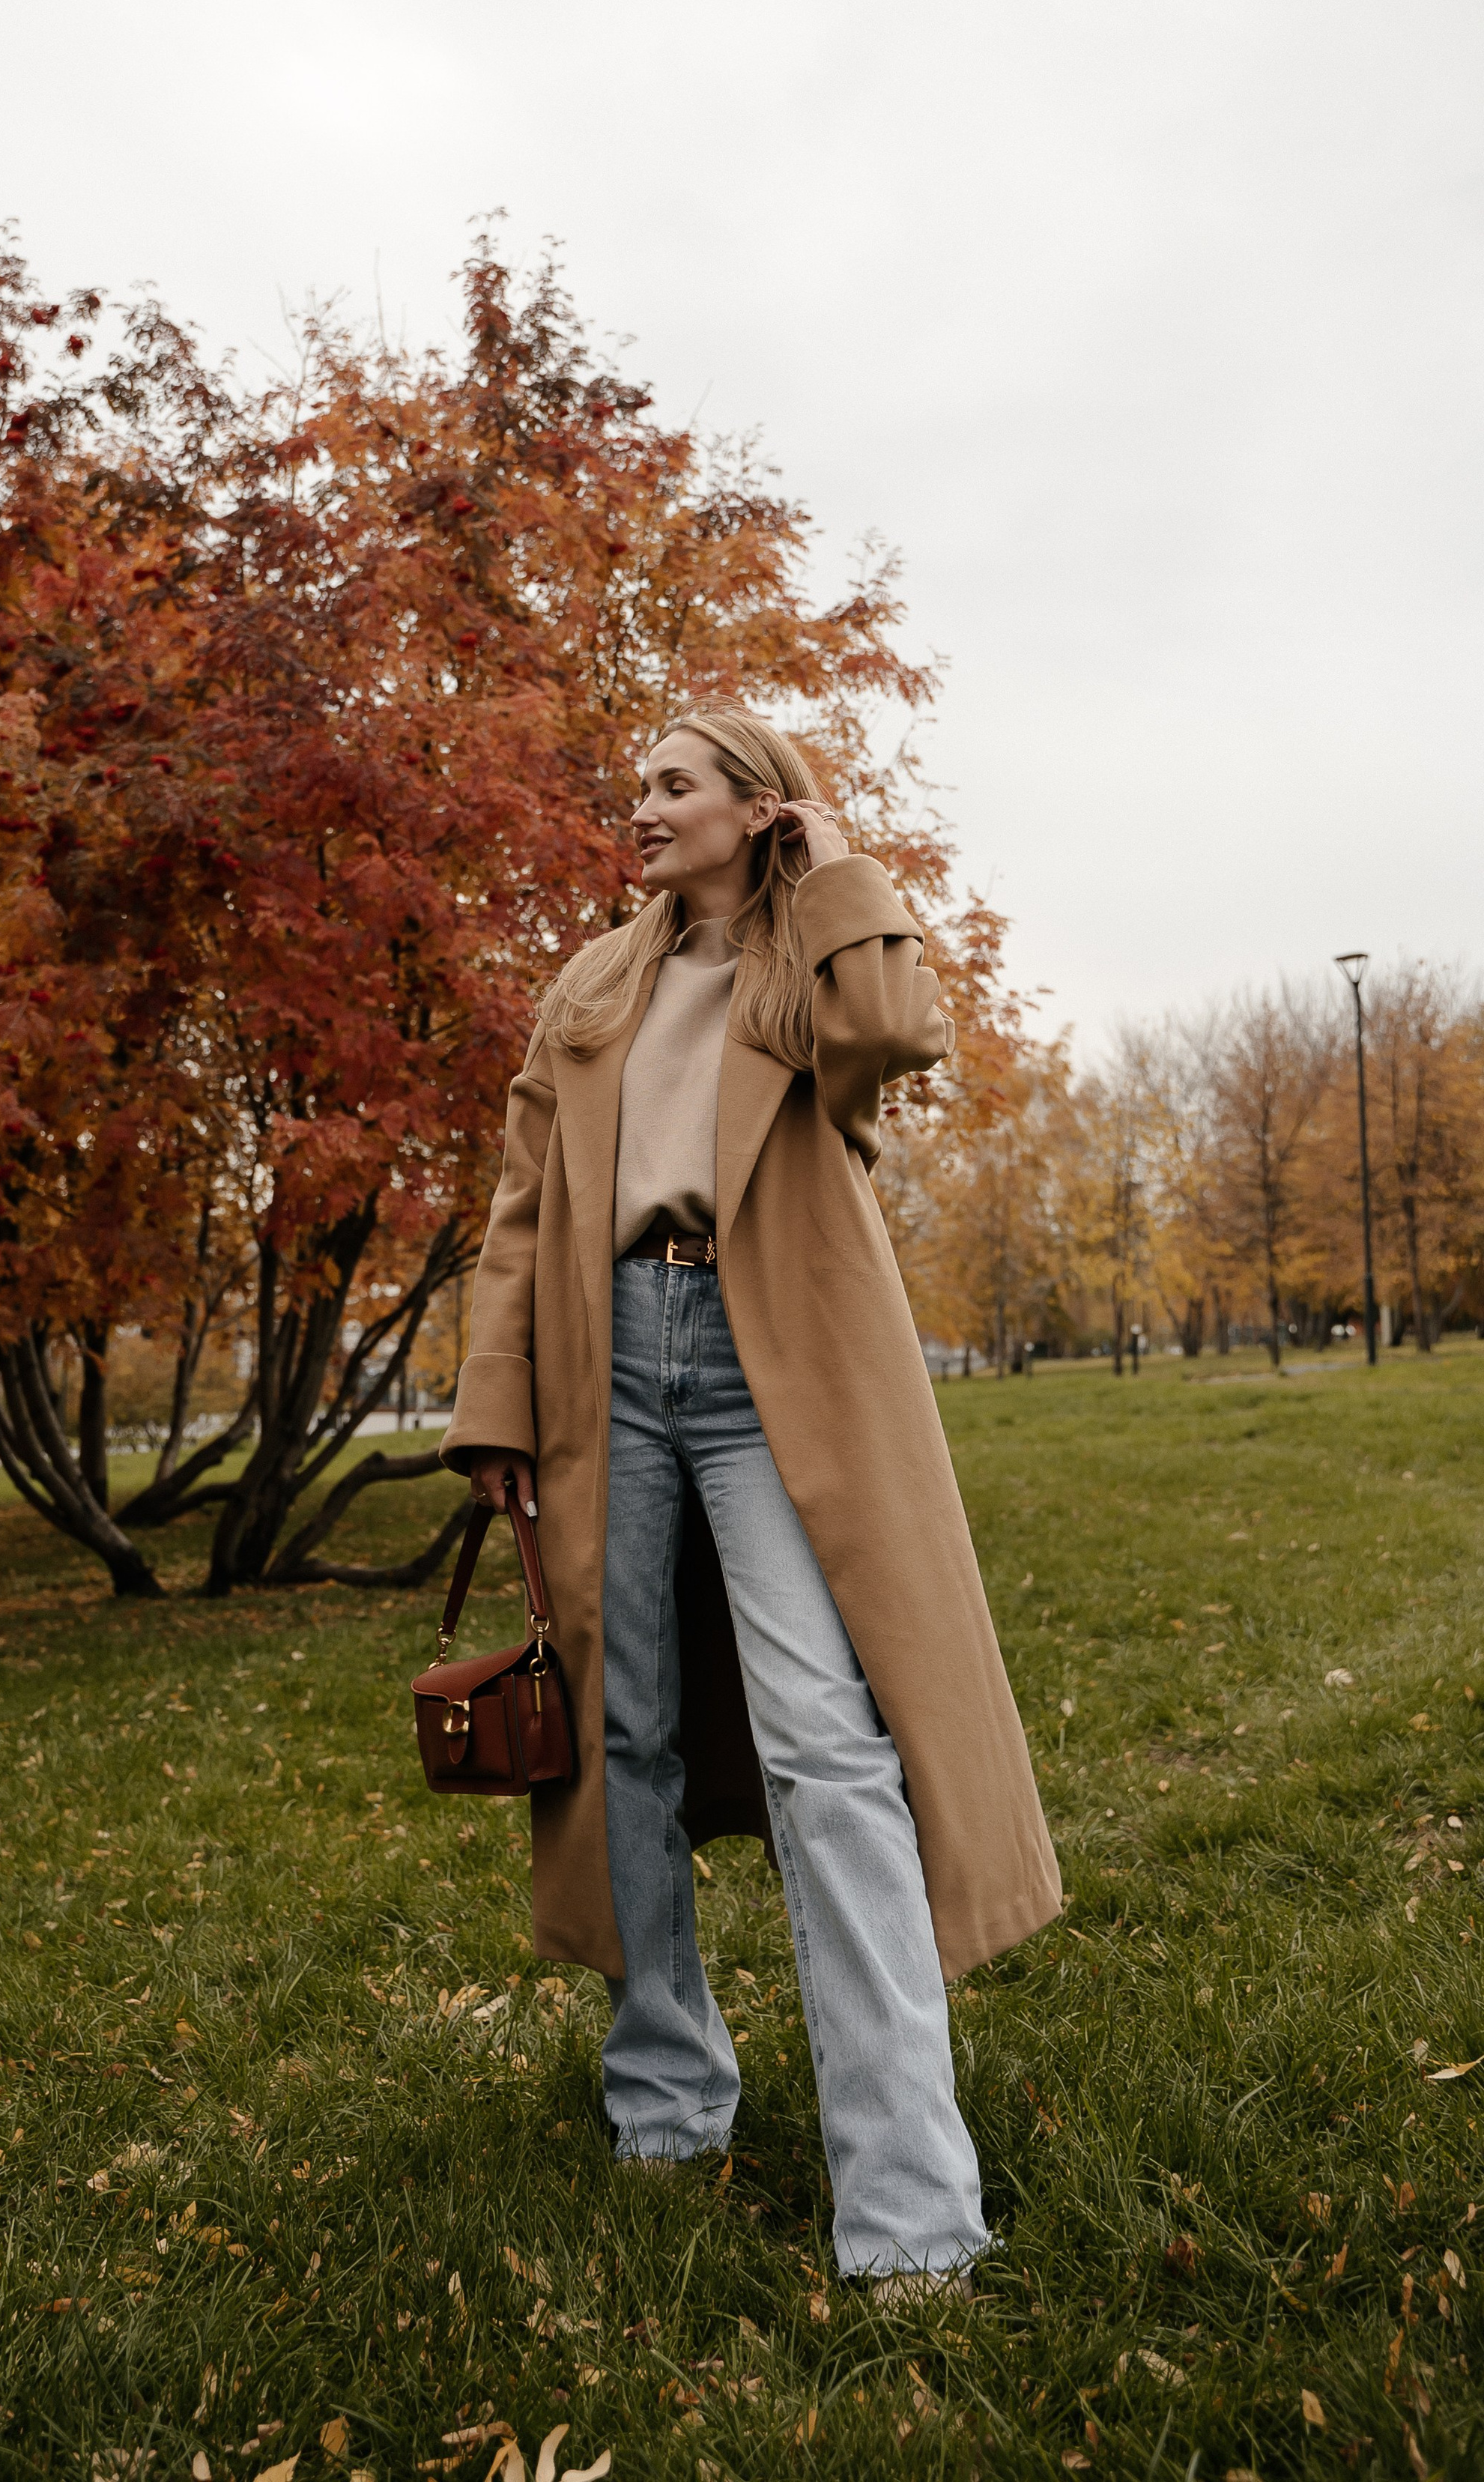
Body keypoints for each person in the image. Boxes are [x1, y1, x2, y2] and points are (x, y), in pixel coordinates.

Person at [440, 703, 1059, 2295]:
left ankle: (910, 2204)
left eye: (674, 784)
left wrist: (830, 855)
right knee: (623, 1734)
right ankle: (665, 2103)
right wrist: (497, 1404)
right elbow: (521, 1207)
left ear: (756, 807)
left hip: (766, 1352)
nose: (639, 807)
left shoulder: (812, 965)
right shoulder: (592, 983)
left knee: (826, 1752)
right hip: (605, 1359)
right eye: (635, 785)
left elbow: (901, 1026)